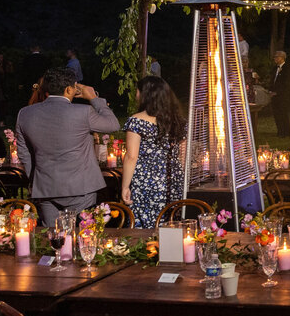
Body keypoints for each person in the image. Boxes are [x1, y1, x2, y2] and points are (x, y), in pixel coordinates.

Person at [15, 67, 119, 227]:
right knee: (83, 238)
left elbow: (24, 153)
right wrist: (93, 97)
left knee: (52, 239)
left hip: (45, 188)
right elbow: (113, 125)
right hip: (81, 188)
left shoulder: (25, 113)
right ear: (70, 89)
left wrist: (35, 179)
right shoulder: (83, 112)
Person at [120, 75, 186, 228]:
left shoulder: (137, 121)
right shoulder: (178, 121)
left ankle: (147, 250)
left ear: (145, 94)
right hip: (173, 179)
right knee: (170, 225)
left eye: (137, 91)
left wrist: (125, 186)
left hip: (146, 182)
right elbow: (182, 155)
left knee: (145, 228)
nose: (136, 95)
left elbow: (131, 156)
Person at [269, 50, 290, 137]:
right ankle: (280, 131)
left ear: (282, 58)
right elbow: (273, 81)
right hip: (274, 95)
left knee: (283, 113)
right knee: (276, 113)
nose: (275, 59)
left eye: (277, 57)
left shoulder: (287, 68)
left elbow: (286, 83)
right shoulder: (275, 69)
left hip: (283, 95)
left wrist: (277, 92)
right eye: (275, 57)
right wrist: (270, 90)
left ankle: (286, 132)